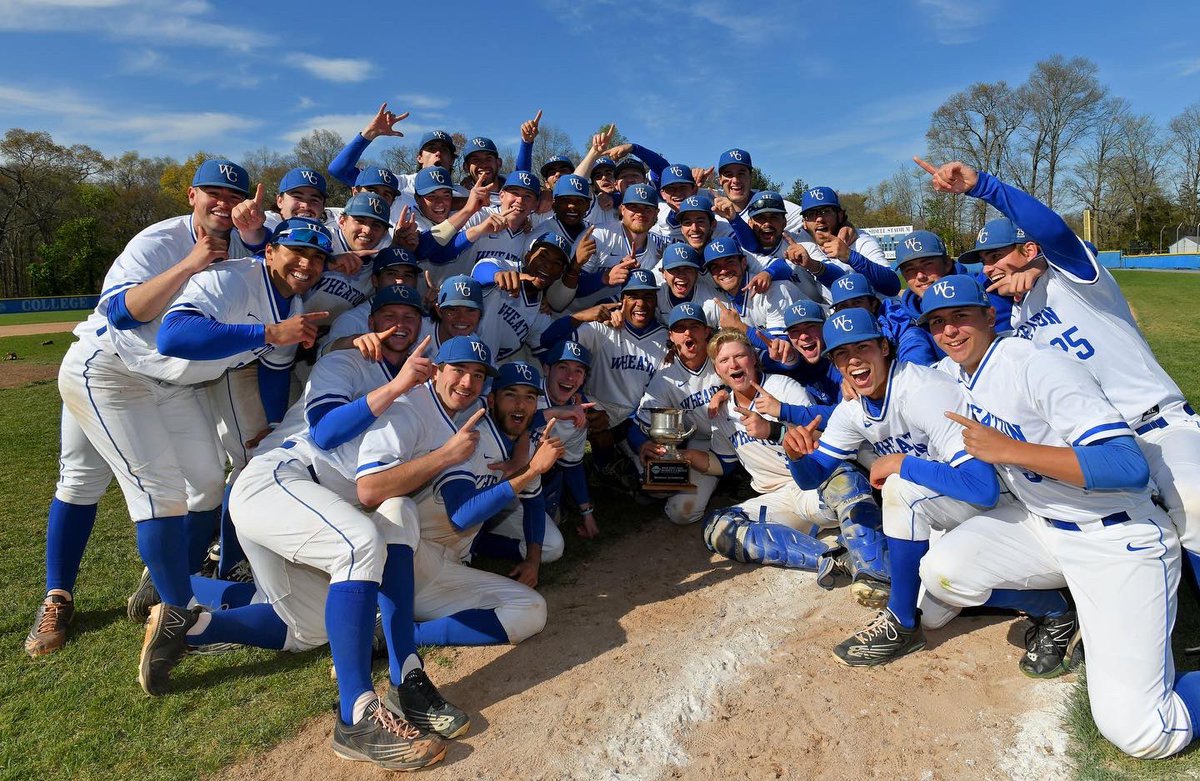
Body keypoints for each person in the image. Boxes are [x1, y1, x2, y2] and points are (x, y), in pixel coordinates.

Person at [917, 274, 1200, 759]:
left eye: (961, 316)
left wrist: (1011, 450)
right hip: (1046, 528)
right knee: (944, 569)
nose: (950, 330)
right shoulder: (960, 374)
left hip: (1116, 537)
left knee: (1141, 733)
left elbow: (1128, 468)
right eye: (938, 322)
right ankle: (1060, 610)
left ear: (990, 316)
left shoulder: (1036, 365)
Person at [915, 155, 1200, 595]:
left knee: (1194, 504)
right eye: (983, 260)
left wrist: (983, 187)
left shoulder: (1074, 278)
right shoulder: (1009, 319)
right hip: (1087, 444)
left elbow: (1054, 233)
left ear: (1030, 250)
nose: (989, 266)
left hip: (1154, 425)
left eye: (997, 255)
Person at [26, 159, 261, 656]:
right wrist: (191, 264)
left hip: (170, 380)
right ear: (191, 195)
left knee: (205, 482)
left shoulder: (248, 239)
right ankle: (65, 598)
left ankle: (168, 588)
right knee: (90, 482)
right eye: (212, 192)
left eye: (234, 194)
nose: (224, 202)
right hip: (108, 368)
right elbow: (118, 311)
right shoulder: (160, 240)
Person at [354, 336, 556, 648]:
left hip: (448, 567)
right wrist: (531, 471)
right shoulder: (465, 436)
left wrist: (533, 560)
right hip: (412, 562)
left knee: (531, 611)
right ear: (492, 400)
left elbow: (533, 497)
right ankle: (396, 632)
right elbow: (462, 516)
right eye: (511, 395)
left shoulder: (510, 436)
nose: (520, 404)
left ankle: (393, 637)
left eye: (529, 398)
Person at [699, 329, 840, 581]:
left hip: (813, 488)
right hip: (777, 501)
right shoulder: (722, 412)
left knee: (846, 482)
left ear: (753, 358)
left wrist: (775, 430)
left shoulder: (782, 387)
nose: (733, 364)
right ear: (717, 370)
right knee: (718, 527)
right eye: (724, 360)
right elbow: (723, 463)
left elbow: (825, 439)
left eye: (740, 356)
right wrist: (680, 457)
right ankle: (829, 558)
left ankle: (872, 557)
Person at [631, 303, 725, 525]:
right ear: (671, 336)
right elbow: (638, 426)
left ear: (706, 332)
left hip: (744, 436)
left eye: (694, 326)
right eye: (680, 328)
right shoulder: (665, 379)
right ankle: (721, 479)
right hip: (704, 444)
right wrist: (642, 445)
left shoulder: (724, 356)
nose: (688, 333)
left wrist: (726, 393)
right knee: (681, 512)